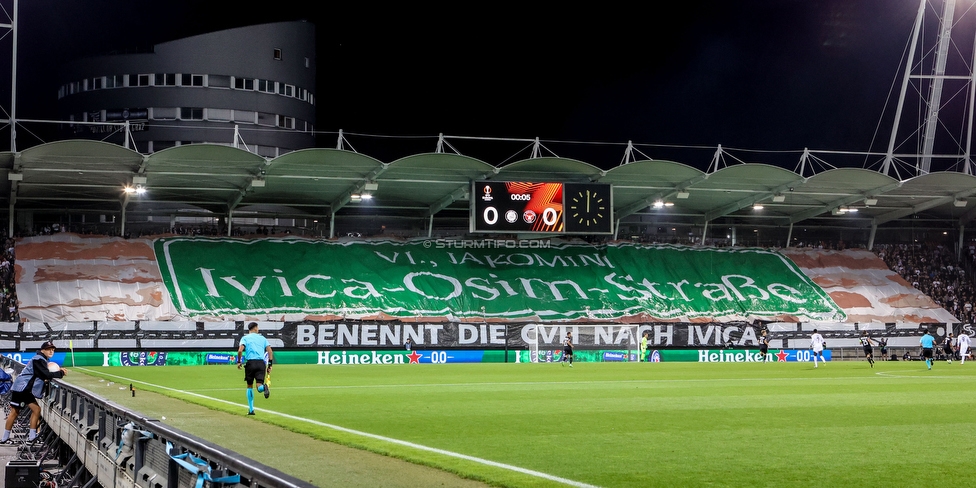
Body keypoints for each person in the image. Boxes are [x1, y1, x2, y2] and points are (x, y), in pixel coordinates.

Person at [1, 341, 67, 444]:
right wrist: (61, 373)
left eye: (53, 350)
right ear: (42, 350)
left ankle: (31, 437)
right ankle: (6, 439)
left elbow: (41, 374)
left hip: (24, 388)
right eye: (49, 349)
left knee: (36, 410)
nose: (51, 351)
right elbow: (46, 374)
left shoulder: (40, 359)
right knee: (15, 412)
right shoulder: (38, 359)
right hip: (22, 389)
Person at [237, 322, 274, 415]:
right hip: (261, 363)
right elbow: (270, 351)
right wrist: (270, 365)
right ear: (255, 328)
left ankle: (251, 410)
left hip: (250, 363)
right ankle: (263, 387)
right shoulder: (262, 338)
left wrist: (239, 361)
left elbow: (240, 350)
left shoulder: (245, 338)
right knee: (259, 385)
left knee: (250, 385)